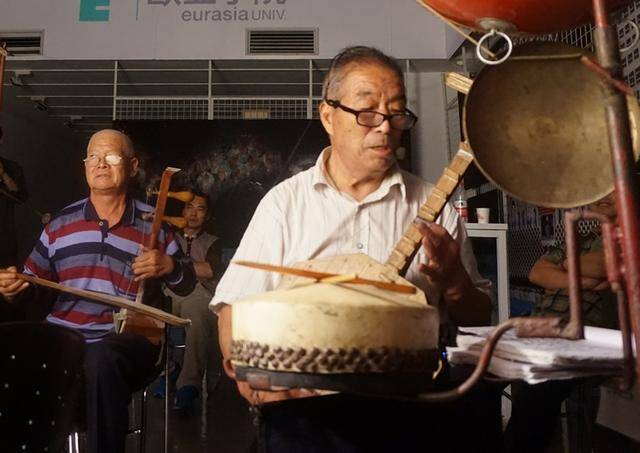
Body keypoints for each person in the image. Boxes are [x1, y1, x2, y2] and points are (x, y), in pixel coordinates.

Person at [211, 46, 498, 451]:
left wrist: (453, 283)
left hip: (406, 402)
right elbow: (234, 307)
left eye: (396, 113)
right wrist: (251, 382)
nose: (384, 127)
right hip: (307, 403)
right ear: (328, 115)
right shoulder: (285, 204)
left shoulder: (432, 206)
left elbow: (479, 317)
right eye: (366, 113)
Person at [0, 129, 196, 453]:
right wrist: (12, 288)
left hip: (126, 343)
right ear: (85, 166)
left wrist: (170, 267)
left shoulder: (154, 226)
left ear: (132, 166)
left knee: (100, 357)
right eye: (93, 157)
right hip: (64, 340)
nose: (101, 163)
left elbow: (188, 286)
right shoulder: (60, 225)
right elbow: (30, 283)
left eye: (112, 157)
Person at [504, 192, 618, 453]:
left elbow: (605, 264)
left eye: (615, 190)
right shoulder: (580, 239)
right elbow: (537, 272)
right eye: (602, 191)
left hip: (586, 337)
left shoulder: (630, 237)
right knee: (477, 371)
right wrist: (582, 277)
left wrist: (564, 266)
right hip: (541, 330)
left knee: (541, 386)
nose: (606, 196)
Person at [163, 191, 222, 413]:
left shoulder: (213, 241)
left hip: (199, 292)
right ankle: (167, 369)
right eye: (189, 207)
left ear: (206, 215)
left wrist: (172, 264)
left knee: (195, 314)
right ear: (182, 211)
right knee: (154, 310)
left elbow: (208, 270)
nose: (193, 213)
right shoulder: (168, 235)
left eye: (200, 209)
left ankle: (188, 384)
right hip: (170, 289)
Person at [0, 125, 28, 269]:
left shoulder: (13, 167)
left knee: (8, 285)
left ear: (1, 140)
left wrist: (3, 174)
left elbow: (21, 197)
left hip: (4, 241)